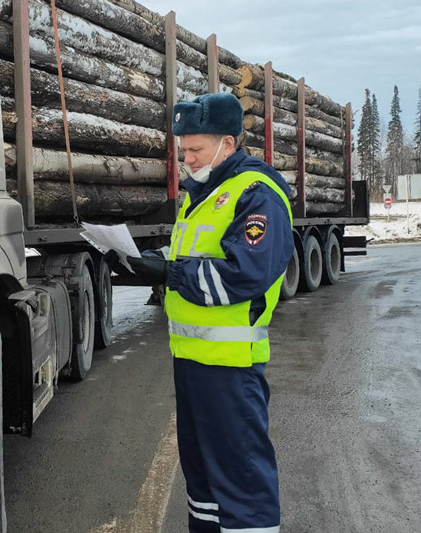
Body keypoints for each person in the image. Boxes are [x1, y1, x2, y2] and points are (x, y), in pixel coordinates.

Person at [108, 92, 294, 532]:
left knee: (241, 479)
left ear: (227, 145)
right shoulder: (201, 196)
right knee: (203, 478)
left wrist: (173, 272)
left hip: (230, 367)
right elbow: (188, 255)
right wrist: (144, 259)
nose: (187, 159)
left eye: (196, 150)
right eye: (183, 150)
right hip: (193, 362)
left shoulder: (256, 195)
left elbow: (245, 274)